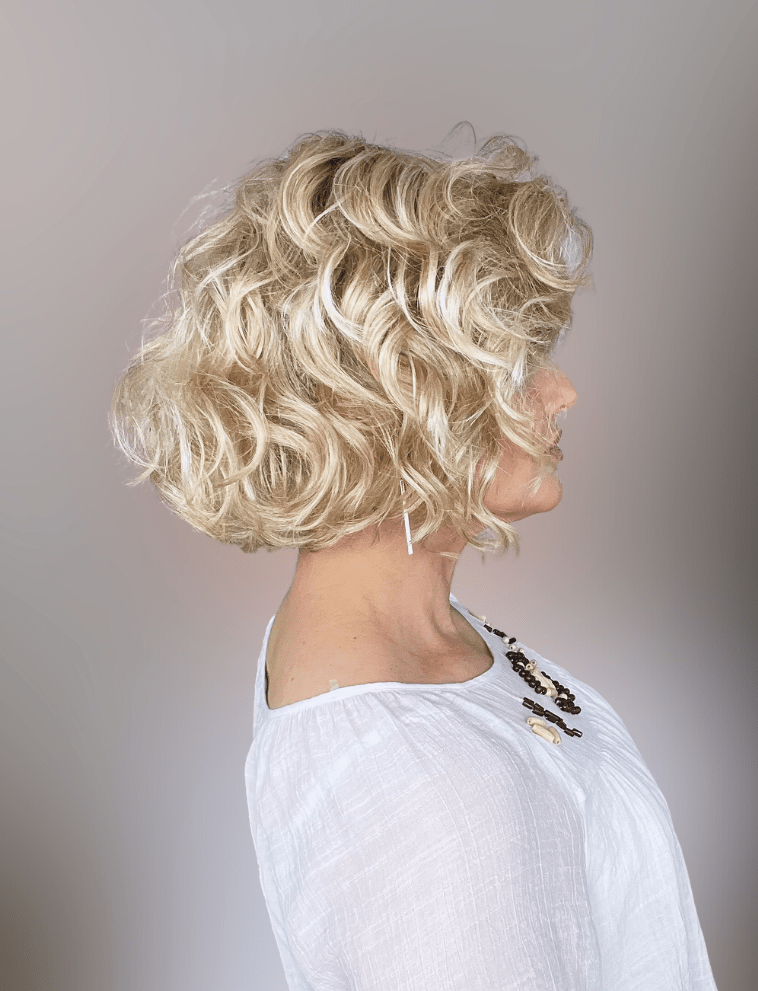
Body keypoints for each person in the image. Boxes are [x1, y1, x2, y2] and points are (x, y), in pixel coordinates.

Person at [109, 125, 719, 990]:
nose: (562, 392)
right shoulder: (434, 800)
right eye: (518, 366)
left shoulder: (385, 627)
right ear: (393, 404)